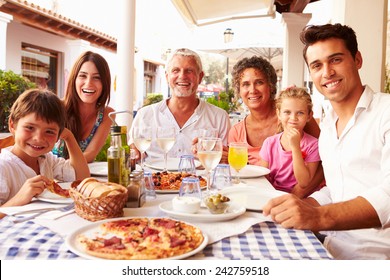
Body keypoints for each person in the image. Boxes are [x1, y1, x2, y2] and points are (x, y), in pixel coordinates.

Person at [263, 23, 390, 259]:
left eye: (336, 60)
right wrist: (298, 205)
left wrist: (318, 217)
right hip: (329, 246)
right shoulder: (328, 127)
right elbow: (336, 190)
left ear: (358, 60)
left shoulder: (385, 112)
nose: (327, 72)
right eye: (317, 65)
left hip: (376, 255)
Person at [229, 56, 322, 197]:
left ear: (270, 85)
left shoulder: (295, 115)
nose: (252, 90)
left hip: (305, 196)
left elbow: (325, 162)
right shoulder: (236, 132)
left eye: (259, 82)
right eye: (245, 84)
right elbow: (243, 173)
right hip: (265, 196)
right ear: (239, 90)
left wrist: (293, 197)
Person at [129, 48, 230, 160]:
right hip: (154, 177)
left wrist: (223, 157)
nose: (182, 76)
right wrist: (131, 153)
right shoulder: (144, 115)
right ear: (167, 77)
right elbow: (133, 155)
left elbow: (225, 161)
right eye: (176, 70)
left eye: (189, 71)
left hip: (201, 177)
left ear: (200, 77)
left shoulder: (219, 117)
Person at [0, 89, 90, 215]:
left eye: (49, 132)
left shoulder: (47, 160)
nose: (38, 138)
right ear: (12, 126)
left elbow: (82, 178)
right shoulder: (3, 167)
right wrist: (19, 198)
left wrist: (69, 137)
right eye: (30, 128)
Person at [53, 51, 114, 163]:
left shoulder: (107, 114)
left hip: (78, 177)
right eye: (82, 76)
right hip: (48, 176)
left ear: (105, 83)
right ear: (74, 79)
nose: (88, 83)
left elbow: (90, 154)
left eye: (97, 78)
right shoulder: (56, 108)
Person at [259, 87, 320, 195]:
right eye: (287, 112)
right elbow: (263, 178)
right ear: (279, 114)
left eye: (300, 113)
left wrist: (295, 147)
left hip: (302, 200)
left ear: (309, 116)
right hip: (272, 195)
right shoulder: (269, 143)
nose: (293, 118)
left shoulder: (313, 145)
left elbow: (304, 182)